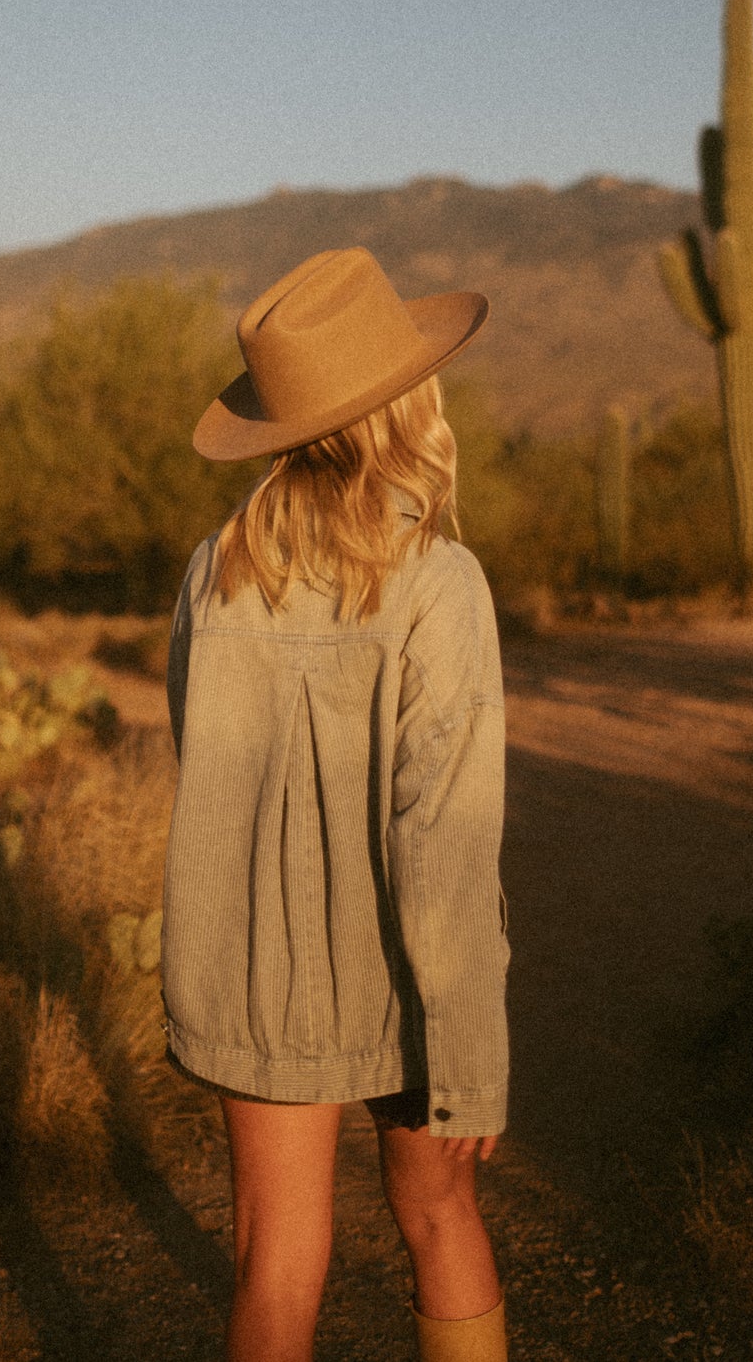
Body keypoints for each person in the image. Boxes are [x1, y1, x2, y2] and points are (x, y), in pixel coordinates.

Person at [162, 246, 510, 1362]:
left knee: (275, 1258)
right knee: (440, 1213)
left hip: (252, 971)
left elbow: (204, 765)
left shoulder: (214, 570)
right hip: (408, 980)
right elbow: (444, 840)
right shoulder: (438, 580)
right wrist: (470, 1055)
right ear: (411, 399)